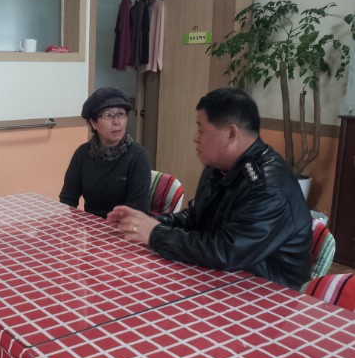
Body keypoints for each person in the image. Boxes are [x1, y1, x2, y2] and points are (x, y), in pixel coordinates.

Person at [108, 87, 312, 290]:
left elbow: (225, 251)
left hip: (268, 294)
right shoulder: (218, 168)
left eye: (201, 130)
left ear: (231, 133)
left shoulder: (268, 187)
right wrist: (148, 222)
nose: (195, 138)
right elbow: (195, 218)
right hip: (220, 278)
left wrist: (155, 233)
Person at [59, 86, 151, 218]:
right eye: (109, 115)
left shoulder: (138, 156)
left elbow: (137, 211)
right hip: (90, 225)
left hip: (125, 226)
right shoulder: (82, 154)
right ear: (93, 123)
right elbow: (68, 199)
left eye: (121, 114)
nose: (117, 122)